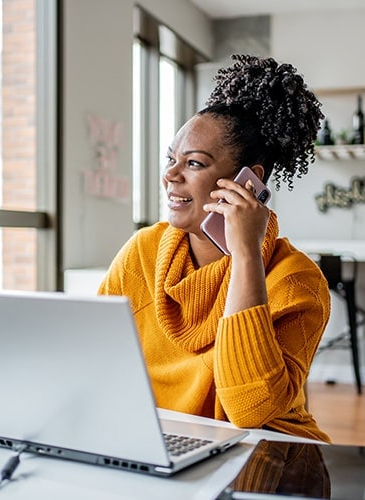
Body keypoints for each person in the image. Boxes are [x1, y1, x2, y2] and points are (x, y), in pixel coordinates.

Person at [98, 54, 331, 442]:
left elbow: (250, 410)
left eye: (193, 163)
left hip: (266, 455)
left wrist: (246, 256)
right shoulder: (143, 252)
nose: (170, 175)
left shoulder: (298, 283)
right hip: (165, 443)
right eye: (171, 159)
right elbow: (94, 360)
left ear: (248, 182)